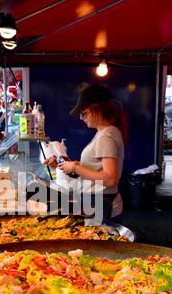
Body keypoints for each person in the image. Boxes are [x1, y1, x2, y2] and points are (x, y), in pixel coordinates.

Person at [45, 84, 128, 220]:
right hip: (97, 201)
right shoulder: (106, 132)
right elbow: (96, 168)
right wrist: (66, 164)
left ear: (97, 110)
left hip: (101, 202)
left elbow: (110, 179)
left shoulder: (106, 136)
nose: (81, 118)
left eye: (84, 113)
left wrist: (74, 168)